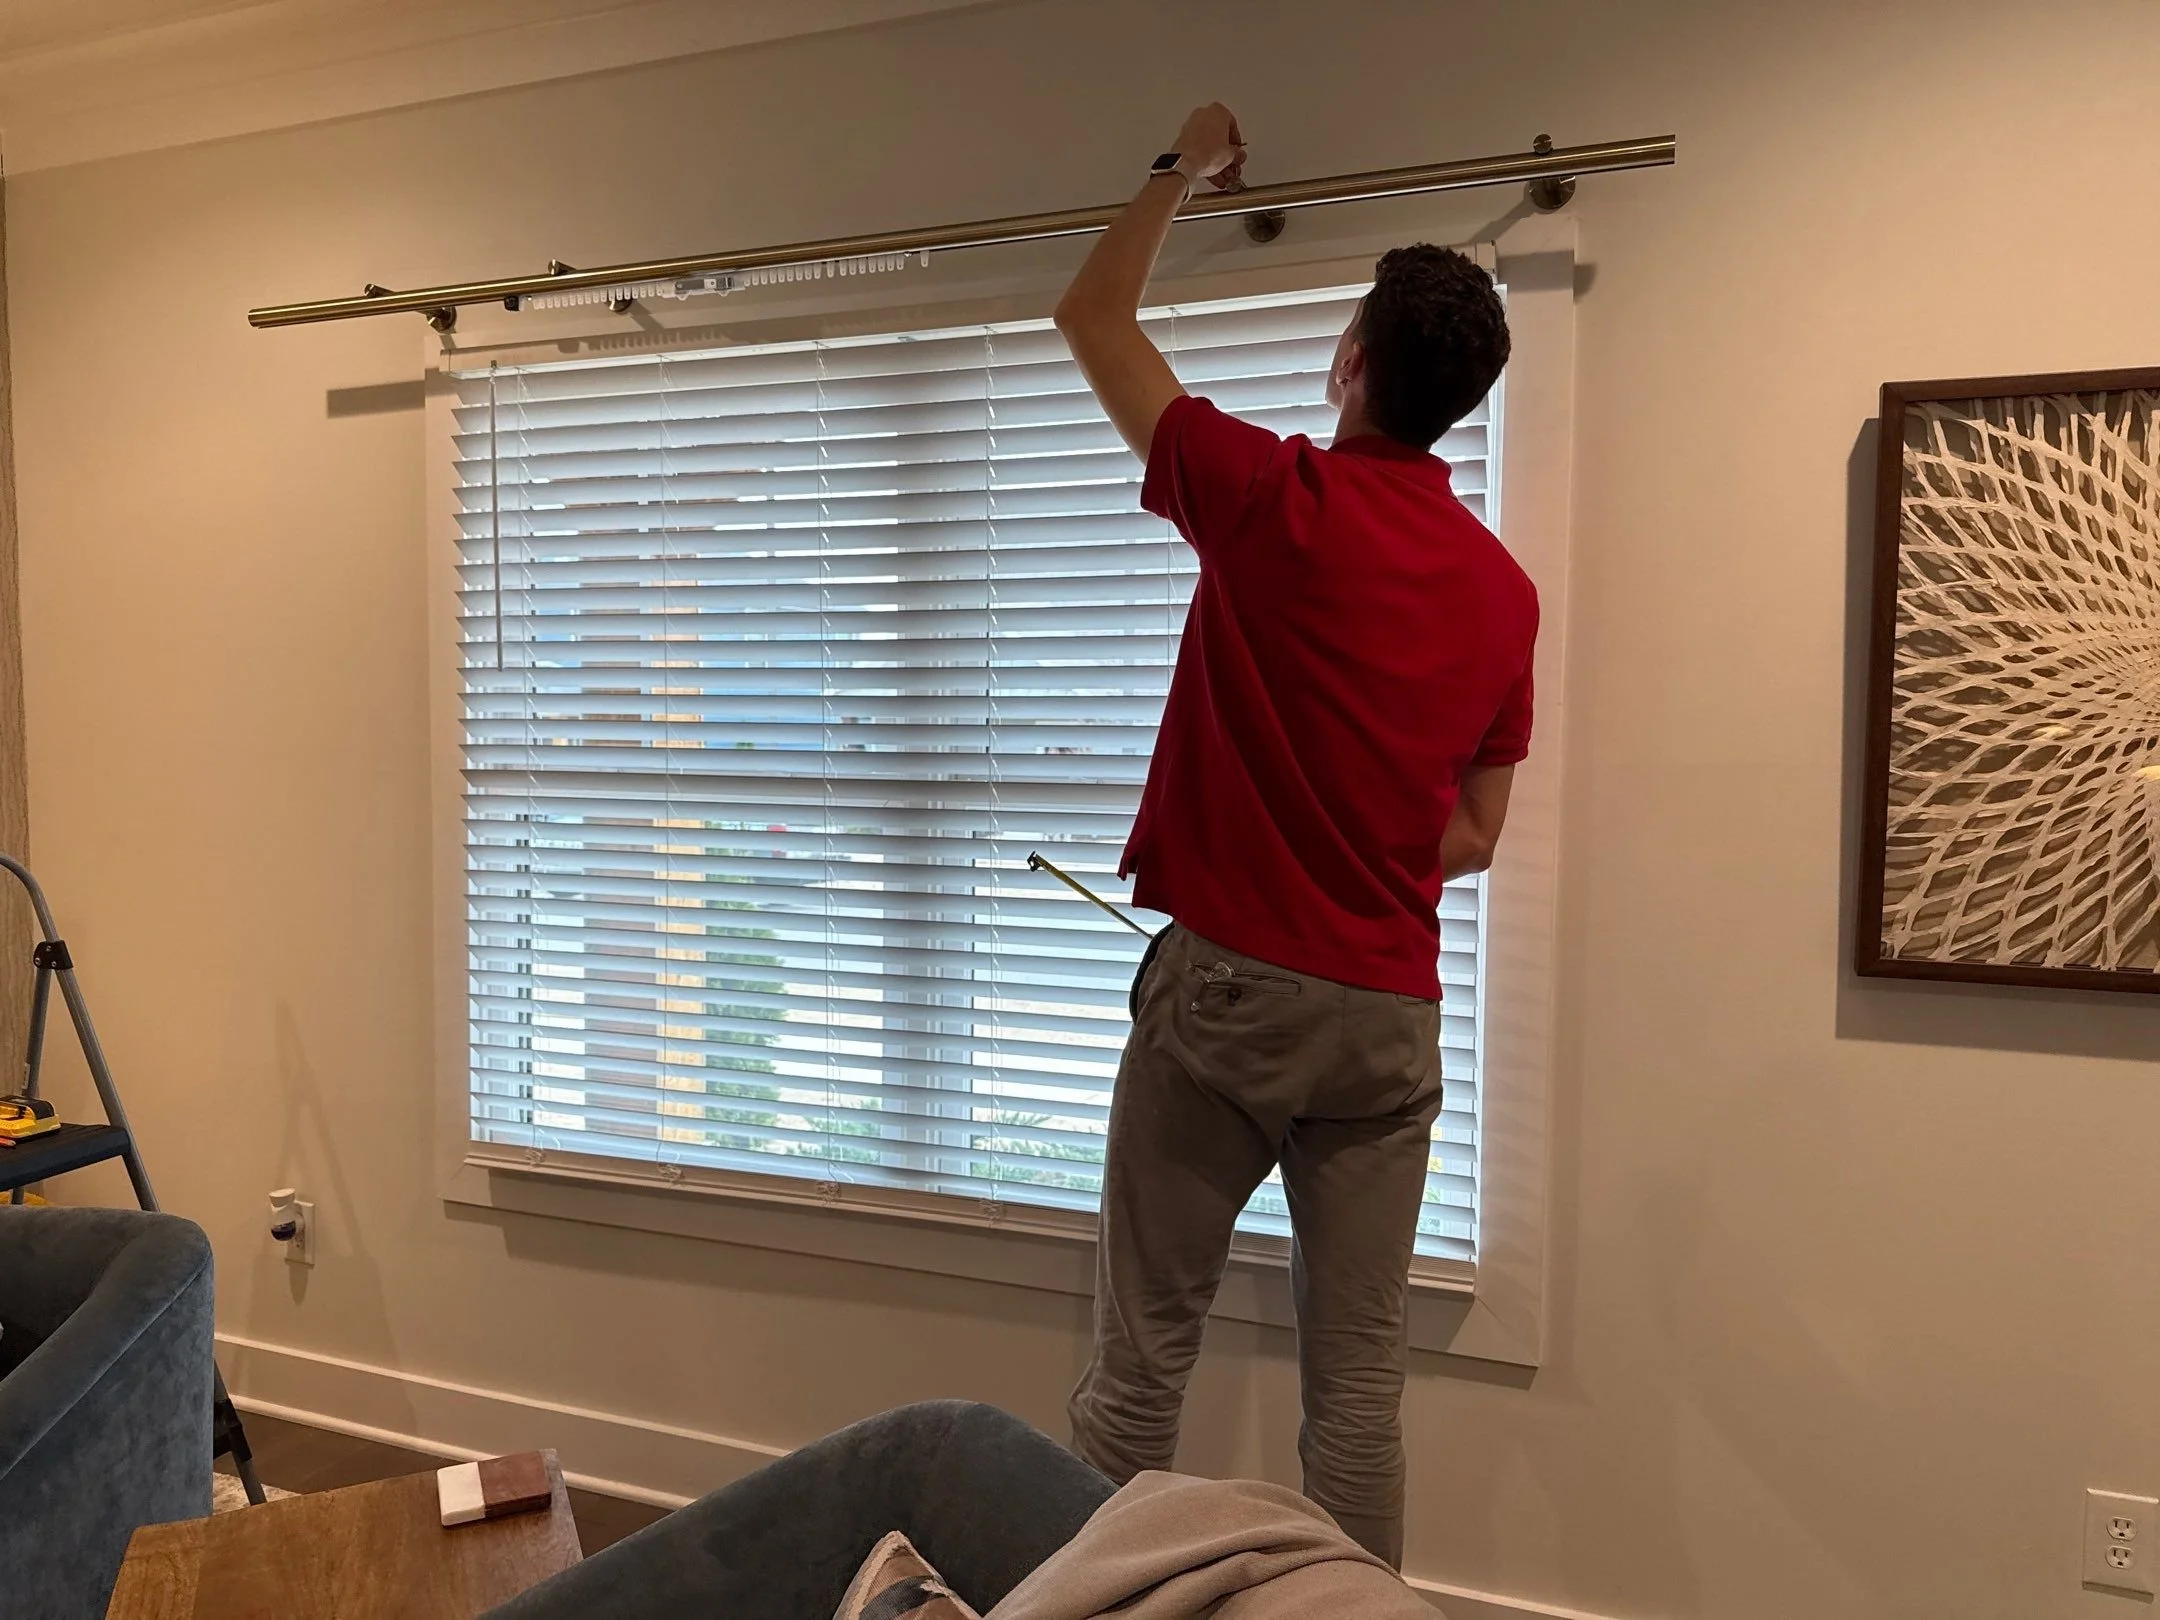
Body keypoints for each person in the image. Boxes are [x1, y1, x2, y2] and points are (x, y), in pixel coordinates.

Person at [1053, 103, 1537, 1568]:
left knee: (1141, 1366)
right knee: (1361, 1402)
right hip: (1389, 1022)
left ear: (1352, 365)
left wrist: (1179, 166)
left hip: (1234, 1000)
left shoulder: (1275, 498)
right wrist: (1358, 846)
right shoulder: (1501, 589)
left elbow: (1090, 314)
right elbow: (1474, 835)